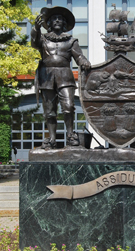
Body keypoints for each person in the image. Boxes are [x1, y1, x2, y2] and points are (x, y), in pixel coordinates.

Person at [31, 6, 91, 149]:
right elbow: (34, 43)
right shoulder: (43, 39)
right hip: (47, 76)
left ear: (64, 23)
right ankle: (52, 139)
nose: (57, 21)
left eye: (60, 19)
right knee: (50, 110)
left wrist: (84, 62)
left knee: (69, 106)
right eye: (54, 19)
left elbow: (79, 57)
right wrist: (36, 29)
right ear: (49, 23)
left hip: (65, 76)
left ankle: (70, 136)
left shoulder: (71, 41)